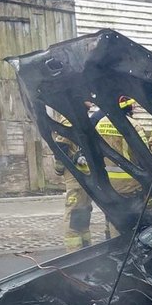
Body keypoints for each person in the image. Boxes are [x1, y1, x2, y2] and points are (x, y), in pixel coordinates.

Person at [96, 96, 146, 238]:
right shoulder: (133, 125)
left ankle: (111, 242)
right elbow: (144, 155)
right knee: (133, 218)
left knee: (113, 215)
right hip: (130, 183)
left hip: (107, 181)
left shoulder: (100, 124)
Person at [50, 104, 95, 251]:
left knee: (78, 217)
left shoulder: (75, 118)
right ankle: (81, 251)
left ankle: (79, 252)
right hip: (82, 175)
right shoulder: (76, 119)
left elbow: (61, 148)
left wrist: (58, 169)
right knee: (78, 217)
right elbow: (62, 147)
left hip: (79, 176)